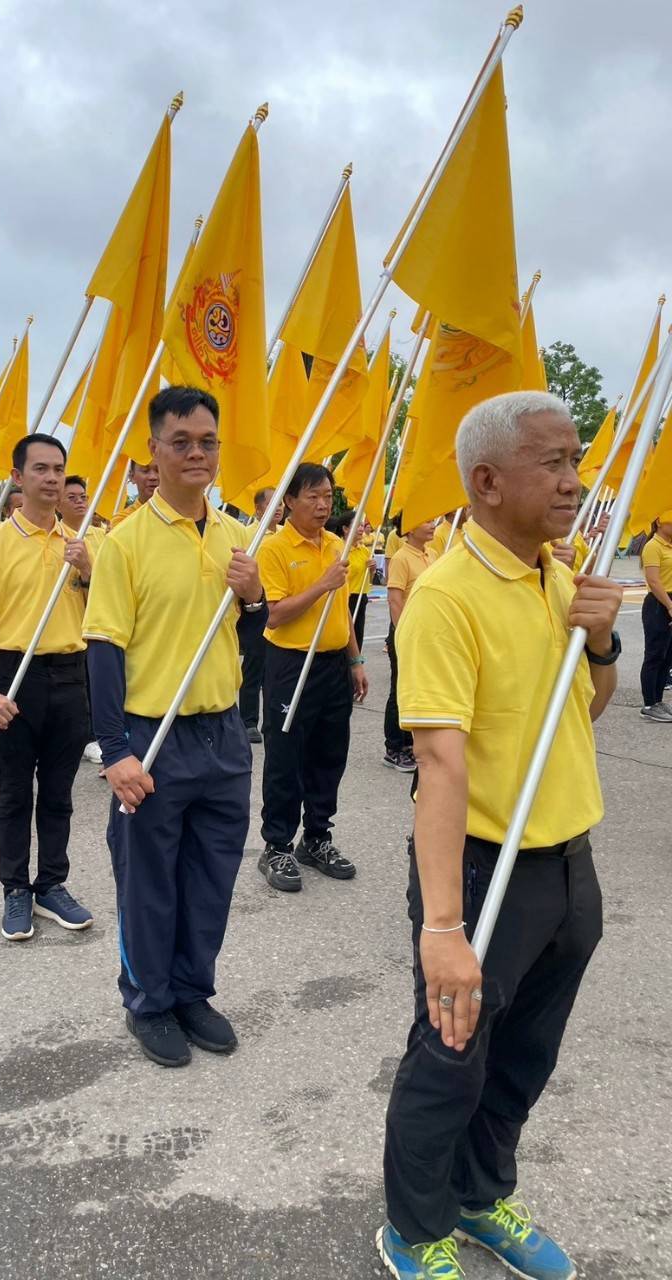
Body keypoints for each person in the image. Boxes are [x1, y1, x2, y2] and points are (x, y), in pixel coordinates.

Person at [377, 391, 622, 1280]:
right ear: (485, 481)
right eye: (553, 463)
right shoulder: (445, 597)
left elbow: (585, 711)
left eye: (577, 461)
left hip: (569, 866)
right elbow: (439, 766)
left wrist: (598, 643)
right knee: (450, 1058)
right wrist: (442, 929)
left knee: (524, 1055)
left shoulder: (560, 574)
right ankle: (413, 1227)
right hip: (485, 873)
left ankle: (480, 1197)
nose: (574, 482)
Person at [83, 385, 265, 1068]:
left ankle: (192, 990)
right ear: (152, 453)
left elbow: (251, 635)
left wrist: (254, 598)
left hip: (222, 736)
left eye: (207, 441)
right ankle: (149, 1000)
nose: (196, 452)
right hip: (151, 736)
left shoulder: (235, 535)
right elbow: (103, 653)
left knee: (211, 876)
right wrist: (115, 752)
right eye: (181, 441)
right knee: (148, 880)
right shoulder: (125, 543)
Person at [0, 434, 94, 940]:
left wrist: (88, 570)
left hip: (72, 675)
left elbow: (106, 614)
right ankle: (15, 890)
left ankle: (52, 884)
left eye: (58, 468)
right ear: (17, 477)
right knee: (14, 794)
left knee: (58, 792)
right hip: (14, 674)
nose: (52, 478)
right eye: (40, 469)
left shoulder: (81, 543)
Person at [255, 464, 367, 893]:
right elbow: (276, 614)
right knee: (286, 756)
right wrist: (322, 584)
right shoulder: (275, 549)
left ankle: (317, 837)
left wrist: (355, 660)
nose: (323, 506)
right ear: (289, 501)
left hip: (333, 664)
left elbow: (341, 614)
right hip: (289, 663)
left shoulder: (336, 544)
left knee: (328, 754)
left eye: (328, 497)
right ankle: (276, 845)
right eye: (313, 497)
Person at [383, 517, 437, 773]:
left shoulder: (433, 554)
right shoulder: (402, 558)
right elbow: (394, 599)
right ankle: (394, 747)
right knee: (399, 688)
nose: (431, 524)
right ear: (409, 527)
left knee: (419, 688)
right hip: (407, 633)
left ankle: (412, 744)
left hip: (428, 634)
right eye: (425, 520)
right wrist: (403, 634)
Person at [60, 474, 106, 765]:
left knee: (98, 682)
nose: (79, 502)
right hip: (72, 623)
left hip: (100, 618)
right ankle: (86, 737)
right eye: (72, 498)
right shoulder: (57, 535)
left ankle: (99, 734)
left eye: (83, 497)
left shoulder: (101, 536)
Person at [238, 486, 284, 742]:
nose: (278, 508)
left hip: (281, 604)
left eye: (280, 503)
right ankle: (248, 721)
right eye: (271, 503)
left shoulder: (288, 534)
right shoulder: (248, 535)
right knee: (255, 665)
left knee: (277, 666)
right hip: (257, 605)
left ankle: (273, 719)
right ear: (257, 509)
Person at [638, 512, 672, 720]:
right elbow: (654, 581)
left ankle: (659, 700)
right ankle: (649, 704)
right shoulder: (653, 546)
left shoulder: (669, 546)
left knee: (668, 656)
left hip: (670, 601)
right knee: (654, 654)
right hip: (659, 603)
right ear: (659, 522)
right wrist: (669, 605)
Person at [329, 509, 374, 650]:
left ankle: (355, 664)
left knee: (358, 635)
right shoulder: (339, 550)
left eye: (362, 525)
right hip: (344, 598)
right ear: (345, 528)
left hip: (360, 597)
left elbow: (369, 579)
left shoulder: (364, 550)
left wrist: (372, 569)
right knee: (344, 637)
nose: (361, 529)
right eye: (357, 525)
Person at [110, 458, 159, 526]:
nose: (153, 477)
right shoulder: (122, 520)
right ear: (132, 476)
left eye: (158, 470)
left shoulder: (177, 512)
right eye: (145, 471)